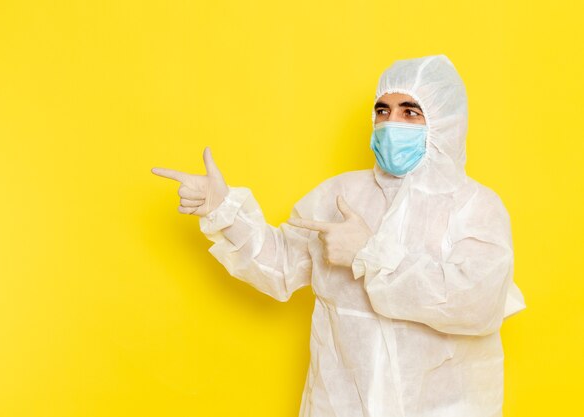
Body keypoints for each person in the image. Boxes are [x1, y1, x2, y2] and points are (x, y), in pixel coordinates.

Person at [152, 54, 526, 417]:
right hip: (341, 405)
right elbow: (280, 265)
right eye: (383, 111)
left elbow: (477, 304)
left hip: (445, 408)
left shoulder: (476, 207)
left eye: (410, 112)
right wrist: (223, 210)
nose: (390, 123)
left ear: (446, 121)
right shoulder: (340, 195)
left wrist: (370, 254)